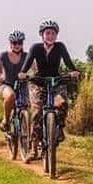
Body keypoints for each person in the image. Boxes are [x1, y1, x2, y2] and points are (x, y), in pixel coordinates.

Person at [18, 20, 80, 160]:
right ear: (42, 35)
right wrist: (22, 73)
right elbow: (27, 64)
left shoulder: (60, 47)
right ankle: (33, 150)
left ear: (56, 35)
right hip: (38, 83)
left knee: (62, 104)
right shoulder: (35, 48)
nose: (50, 36)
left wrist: (74, 71)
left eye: (53, 33)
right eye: (47, 33)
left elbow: (68, 62)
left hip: (56, 83)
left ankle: (58, 129)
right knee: (37, 113)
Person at [0, 30, 28, 132]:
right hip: (6, 84)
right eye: (14, 43)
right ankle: (6, 120)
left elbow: (36, 69)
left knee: (27, 104)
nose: (17, 45)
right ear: (10, 44)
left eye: (20, 43)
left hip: (22, 85)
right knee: (10, 96)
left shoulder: (26, 56)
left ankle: (27, 134)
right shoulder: (3, 55)